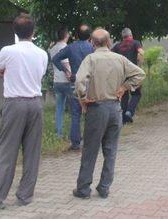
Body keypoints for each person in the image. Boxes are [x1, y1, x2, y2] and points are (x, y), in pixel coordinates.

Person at [0, 13, 49, 210]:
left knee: (6, 151)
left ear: (15, 31)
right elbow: (40, 74)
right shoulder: (42, 53)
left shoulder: (7, 51)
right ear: (33, 32)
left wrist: (7, 73)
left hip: (14, 104)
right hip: (36, 103)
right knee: (32, 151)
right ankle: (25, 195)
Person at [72, 28, 145, 199]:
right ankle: (104, 187)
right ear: (109, 42)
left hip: (96, 108)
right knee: (111, 150)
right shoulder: (120, 59)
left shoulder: (90, 59)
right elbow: (140, 74)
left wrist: (83, 99)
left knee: (90, 149)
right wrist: (125, 87)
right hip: (115, 109)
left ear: (92, 43)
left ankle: (83, 189)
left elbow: (79, 80)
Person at [52, 24, 93, 150]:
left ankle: (75, 143)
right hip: (90, 83)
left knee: (75, 114)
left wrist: (65, 70)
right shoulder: (92, 48)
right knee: (91, 113)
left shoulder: (70, 47)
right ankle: (91, 142)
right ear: (90, 36)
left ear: (76, 35)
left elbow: (55, 59)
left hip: (75, 83)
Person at [111, 27, 144, 123]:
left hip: (121, 74)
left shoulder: (118, 46)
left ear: (122, 36)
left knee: (124, 95)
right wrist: (140, 66)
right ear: (131, 35)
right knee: (136, 94)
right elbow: (141, 52)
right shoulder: (135, 43)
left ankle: (123, 119)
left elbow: (109, 54)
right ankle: (129, 112)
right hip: (133, 73)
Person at [48, 27, 71, 139]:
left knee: (59, 108)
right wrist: (70, 76)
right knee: (74, 109)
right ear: (66, 35)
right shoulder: (65, 47)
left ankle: (58, 133)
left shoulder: (52, 48)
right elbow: (66, 65)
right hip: (66, 81)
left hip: (56, 81)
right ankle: (73, 132)